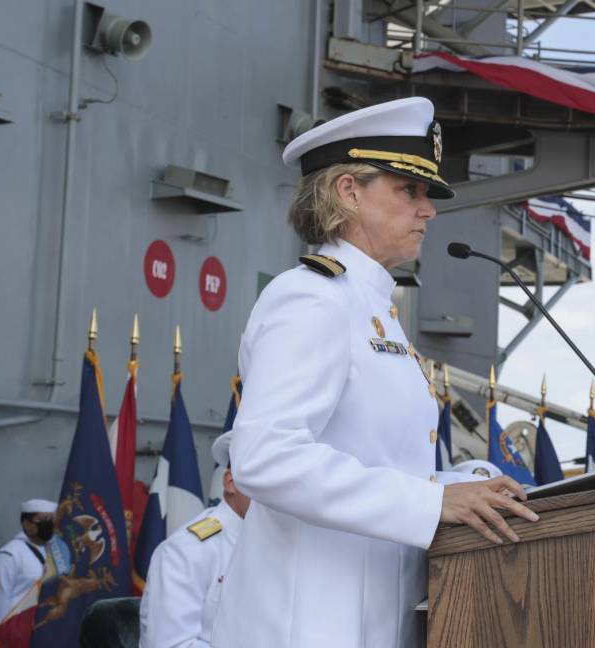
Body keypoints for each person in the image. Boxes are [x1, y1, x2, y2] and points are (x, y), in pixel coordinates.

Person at [209, 97, 539, 648]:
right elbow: (265, 458)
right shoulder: (311, 299)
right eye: (408, 189)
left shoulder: (373, 310)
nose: (427, 209)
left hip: (371, 620)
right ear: (348, 191)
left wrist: (466, 486)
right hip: (307, 624)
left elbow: (371, 463)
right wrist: (433, 503)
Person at [139, 432, 250, 648]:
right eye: (263, 480)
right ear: (231, 483)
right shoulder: (188, 550)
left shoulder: (280, 546)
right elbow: (171, 645)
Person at [0, 499, 56, 628]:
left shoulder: (54, 551)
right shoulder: (10, 554)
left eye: (51, 520)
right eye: (43, 520)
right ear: (26, 524)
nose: (48, 525)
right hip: (15, 630)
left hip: (41, 627)